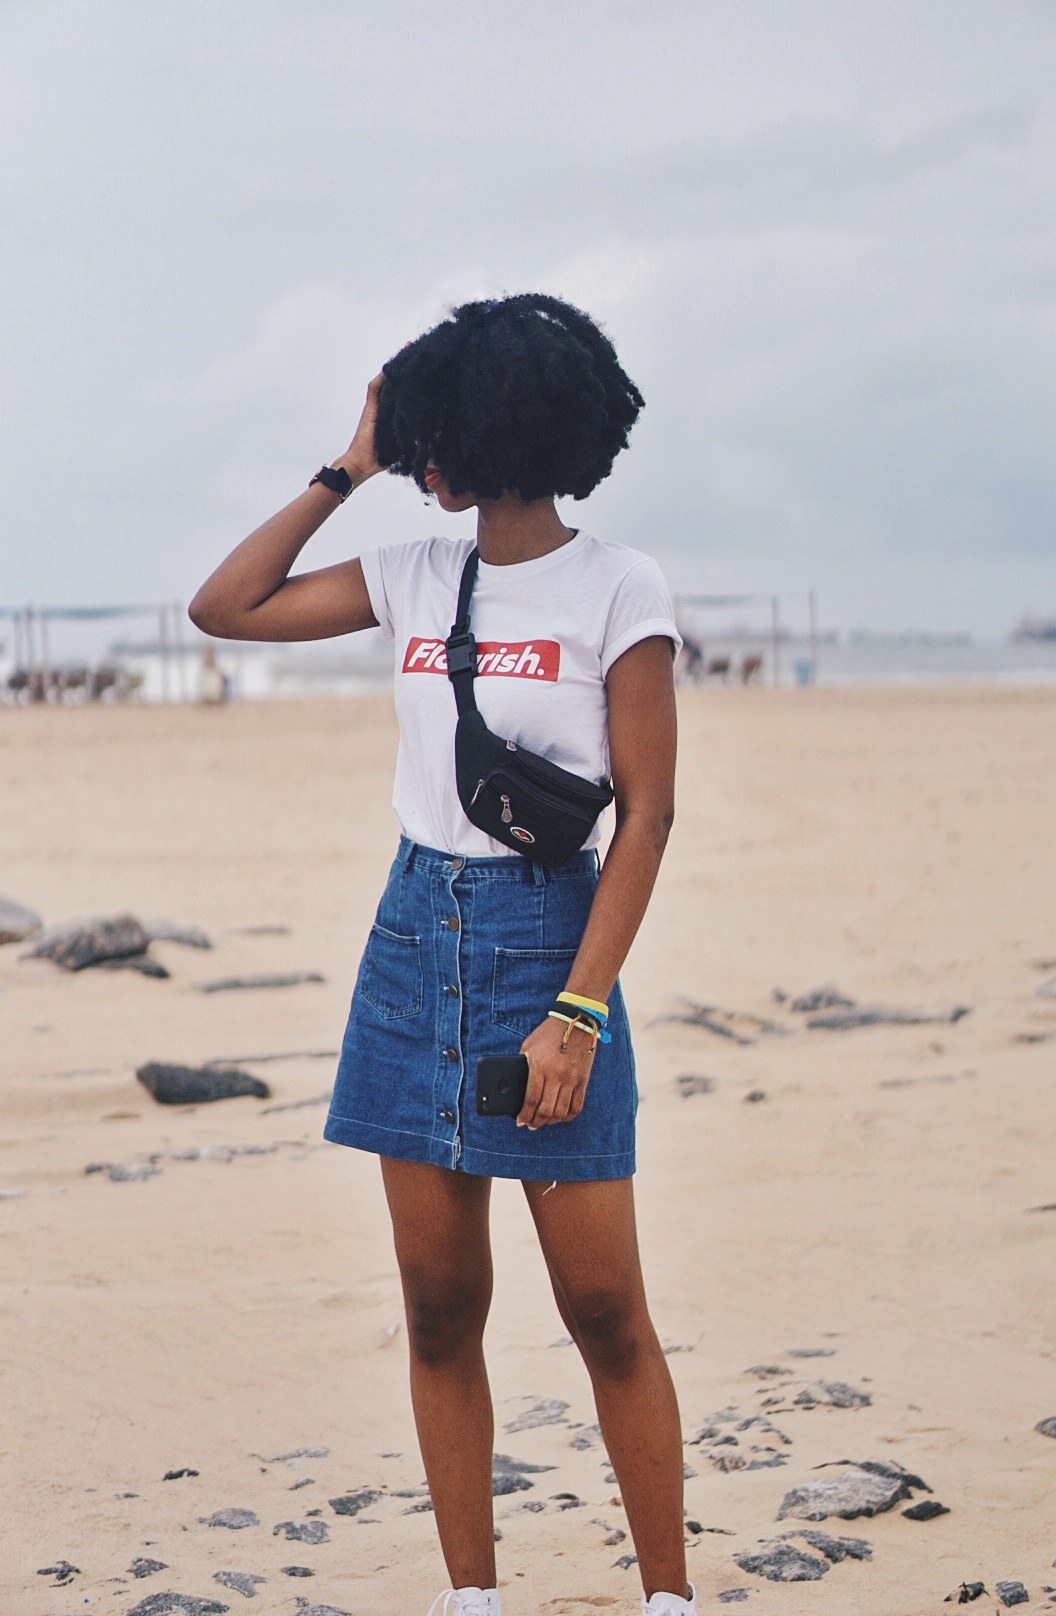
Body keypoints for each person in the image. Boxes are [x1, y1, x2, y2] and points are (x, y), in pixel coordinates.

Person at [189, 294, 690, 1616]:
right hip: (415, 944)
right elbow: (224, 607)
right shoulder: (414, 575)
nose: (414, 460)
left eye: (422, 434)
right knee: (434, 1303)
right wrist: (343, 468)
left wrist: (576, 1013)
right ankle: (471, 1597)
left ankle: (670, 1600)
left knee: (601, 1308)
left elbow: (648, 815)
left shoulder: (619, 586)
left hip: (547, 943)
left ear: (487, 430)